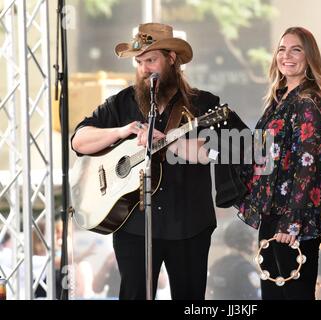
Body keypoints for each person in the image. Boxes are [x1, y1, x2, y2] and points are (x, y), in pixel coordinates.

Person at [71, 22, 244, 300]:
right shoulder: (121, 103)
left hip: (189, 226)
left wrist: (172, 142)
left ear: (171, 59)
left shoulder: (203, 104)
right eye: (139, 62)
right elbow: (79, 140)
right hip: (133, 226)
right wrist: (121, 131)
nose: (144, 69)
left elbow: (239, 146)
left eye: (151, 60)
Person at [235, 26, 321, 300]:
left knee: (294, 296)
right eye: (282, 49)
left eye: (296, 49)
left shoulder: (308, 102)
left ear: (309, 58)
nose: (286, 56)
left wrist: (292, 222)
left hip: (295, 221)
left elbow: (308, 165)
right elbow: (260, 154)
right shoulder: (278, 100)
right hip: (273, 215)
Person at [207, 220, 260, 300]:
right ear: (245, 240)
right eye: (251, 237)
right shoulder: (246, 269)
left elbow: (209, 294)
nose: (255, 242)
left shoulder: (216, 265)